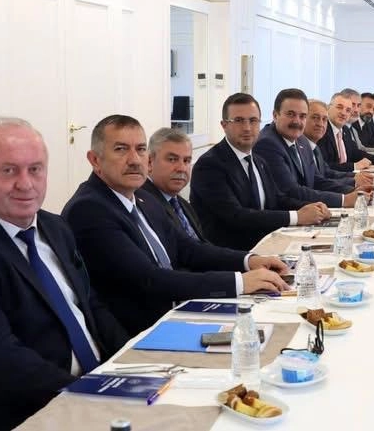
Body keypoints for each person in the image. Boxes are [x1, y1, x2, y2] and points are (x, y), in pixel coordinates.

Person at [0, 118, 128, 430]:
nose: (25, 184)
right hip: (32, 411)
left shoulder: (55, 227)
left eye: (35, 169)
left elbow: (91, 305)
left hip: (98, 386)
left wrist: (133, 362)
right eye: (9, 171)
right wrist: (91, 395)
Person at [63, 114, 291, 335]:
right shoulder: (90, 209)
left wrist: (249, 261)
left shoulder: (141, 197)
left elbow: (188, 249)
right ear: (95, 160)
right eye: (121, 149)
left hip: (178, 311)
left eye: (140, 149)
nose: (134, 160)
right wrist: (239, 282)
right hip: (146, 330)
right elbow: (149, 279)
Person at [190, 93, 331, 251]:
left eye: (253, 120)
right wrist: (297, 216)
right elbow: (237, 216)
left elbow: (277, 199)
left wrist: (313, 208)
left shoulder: (258, 161)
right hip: (234, 255)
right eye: (239, 120)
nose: (247, 128)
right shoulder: (209, 165)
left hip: (267, 245)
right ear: (224, 125)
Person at [253, 88, 359, 207]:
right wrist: (344, 200)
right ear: (275, 115)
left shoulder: (301, 139)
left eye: (302, 116)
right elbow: (292, 191)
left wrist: (354, 191)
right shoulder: (267, 144)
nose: (297, 121)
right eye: (290, 114)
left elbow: (317, 180)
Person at [140, 127, 207, 242]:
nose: (182, 168)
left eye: (186, 161)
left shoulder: (184, 205)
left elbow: (202, 246)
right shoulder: (144, 205)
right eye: (172, 159)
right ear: (149, 162)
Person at [304, 99, 373, 191]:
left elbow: (327, 172)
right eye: (315, 117)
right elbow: (317, 184)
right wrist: (353, 185)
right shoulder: (306, 144)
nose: (320, 124)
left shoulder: (314, 146)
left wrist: (355, 176)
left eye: (324, 119)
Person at [318, 93, 374, 171]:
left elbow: (355, 153)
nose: (343, 113)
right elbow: (323, 166)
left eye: (348, 110)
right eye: (339, 107)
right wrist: (353, 166)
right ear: (328, 108)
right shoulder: (321, 130)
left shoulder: (345, 129)